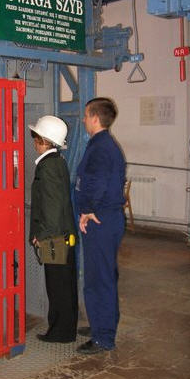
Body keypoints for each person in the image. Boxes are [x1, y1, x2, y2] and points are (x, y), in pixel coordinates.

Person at [75, 98, 126, 354]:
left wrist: (87, 210)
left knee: (98, 279)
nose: (83, 119)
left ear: (95, 118)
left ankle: (103, 337)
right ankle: (102, 324)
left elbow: (97, 182)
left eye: (85, 115)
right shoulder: (104, 145)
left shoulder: (101, 148)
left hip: (100, 220)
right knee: (105, 275)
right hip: (107, 218)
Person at [28, 115, 78, 343]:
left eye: (35, 137)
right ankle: (66, 328)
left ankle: (60, 332)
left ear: (43, 140)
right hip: (63, 235)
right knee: (65, 284)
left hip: (54, 238)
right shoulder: (58, 161)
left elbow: (51, 205)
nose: (33, 141)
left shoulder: (47, 167)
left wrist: (42, 236)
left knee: (57, 286)